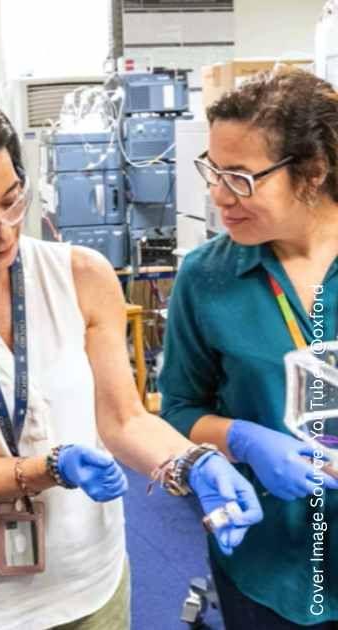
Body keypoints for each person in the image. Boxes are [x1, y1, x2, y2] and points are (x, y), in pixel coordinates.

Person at [0, 103, 261, 630]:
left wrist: (192, 462)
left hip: (89, 575)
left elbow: (124, 419)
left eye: (11, 202)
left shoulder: (80, 275)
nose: (2, 231)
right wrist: (48, 469)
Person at [161, 66, 338, 628]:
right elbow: (180, 410)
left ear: (311, 172)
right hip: (267, 564)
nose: (218, 197)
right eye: (213, 172)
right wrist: (242, 437)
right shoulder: (207, 277)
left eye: (239, 177)